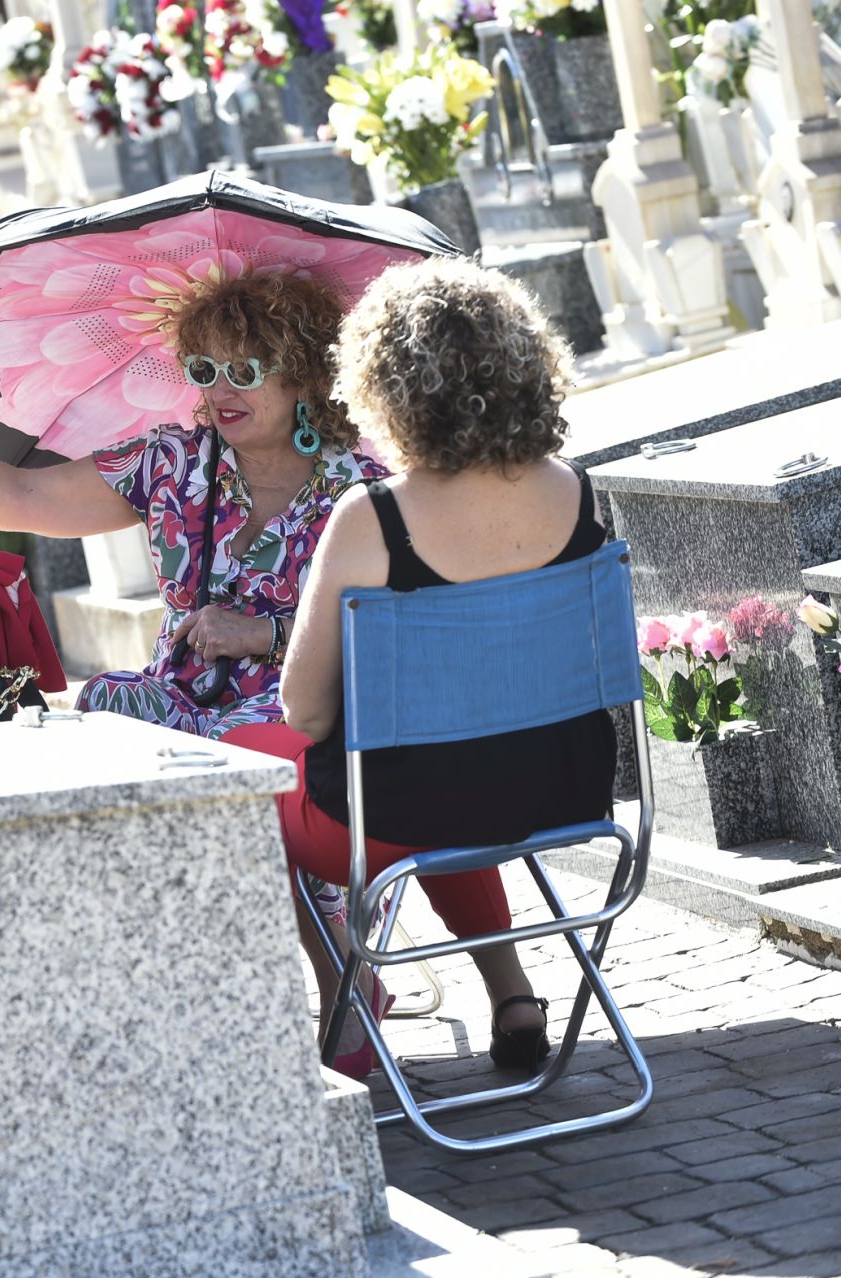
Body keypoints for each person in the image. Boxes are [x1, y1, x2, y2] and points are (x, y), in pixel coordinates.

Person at [229, 257, 615, 1076]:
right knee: (429, 773)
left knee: (244, 769)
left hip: (401, 814)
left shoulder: (372, 520)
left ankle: (345, 991)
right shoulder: (578, 494)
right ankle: (512, 994)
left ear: (382, 388)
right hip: (562, 792)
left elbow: (304, 712)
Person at [0, 268, 388, 740]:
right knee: (108, 699)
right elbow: (22, 495)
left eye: (244, 372)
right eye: (205, 370)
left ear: (303, 379)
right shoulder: (172, 462)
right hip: (177, 703)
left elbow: (394, 630)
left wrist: (265, 635)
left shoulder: (366, 492)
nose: (221, 392)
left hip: (298, 711)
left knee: (246, 739)